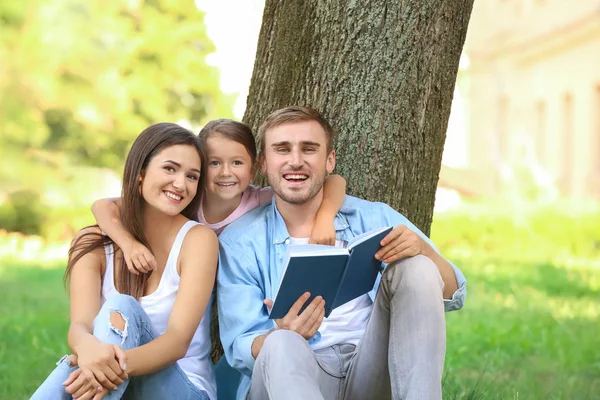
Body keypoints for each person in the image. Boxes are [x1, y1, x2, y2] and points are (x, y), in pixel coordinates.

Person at [217, 106, 468, 400]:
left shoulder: (374, 217)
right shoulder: (240, 242)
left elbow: (455, 294)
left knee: (418, 266)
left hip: (371, 370)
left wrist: (423, 250)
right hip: (293, 375)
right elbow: (239, 347)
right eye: (282, 150)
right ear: (264, 163)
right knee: (280, 343)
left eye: (309, 149)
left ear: (329, 160)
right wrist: (282, 331)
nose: (295, 161)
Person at [31, 123, 219, 400]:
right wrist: (89, 353)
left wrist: (103, 368)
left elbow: (177, 342)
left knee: (121, 307)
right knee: (79, 358)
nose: (181, 183)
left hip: (183, 388)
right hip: (118, 386)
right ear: (140, 173)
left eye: (192, 176)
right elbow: (80, 326)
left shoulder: (198, 240)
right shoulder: (93, 242)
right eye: (170, 168)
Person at [91, 119, 347, 274]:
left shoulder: (258, 199)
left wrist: (325, 217)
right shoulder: (188, 198)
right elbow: (102, 206)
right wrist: (128, 244)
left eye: (237, 162)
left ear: (255, 168)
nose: (226, 173)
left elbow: (333, 181)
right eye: (214, 163)